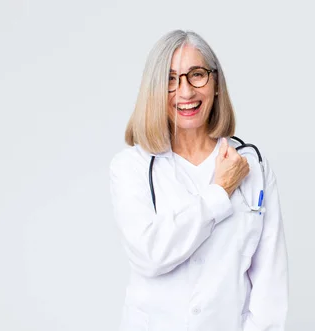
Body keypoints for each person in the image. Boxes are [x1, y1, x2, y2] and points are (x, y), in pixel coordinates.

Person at [109, 30, 289, 331]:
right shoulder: (131, 167)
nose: (186, 92)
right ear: (153, 90)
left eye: (197, 75)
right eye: (170, 79)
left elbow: (270, 283)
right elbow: (150, 254)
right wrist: (220, 192)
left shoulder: (252, 166)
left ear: (215, 83)